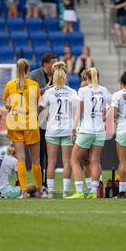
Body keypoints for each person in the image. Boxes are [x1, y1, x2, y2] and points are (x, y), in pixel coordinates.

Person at [3, 59, 44, 198]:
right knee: (35, 160)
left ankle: (24, 192)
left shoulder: (10, 84)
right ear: (28, 69)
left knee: (20, 158)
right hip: (30, 121)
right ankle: (39, 190)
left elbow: (7, 105)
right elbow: (36, 105)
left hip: (15, 122)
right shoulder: (34, 85)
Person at [66, 68, 109, 199]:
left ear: (87, 77)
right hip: (100, 131)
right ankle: (93, 192)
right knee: (95, 161)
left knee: (73, 160)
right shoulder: (104, 90)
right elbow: (106, 112)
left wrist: (73, 129)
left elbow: (79, 113)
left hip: (86, 130)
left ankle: (79, 191)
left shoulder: (83, 91)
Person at [40, 61, 78, 198]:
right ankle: (65, 191)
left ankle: (50, 191)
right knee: (67, 161)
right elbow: (76, 111)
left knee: (51, 162)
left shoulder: (49, 92)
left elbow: (43, 109)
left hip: (52, 129)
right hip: (67, 129)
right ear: (65, 76)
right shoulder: (72, 92)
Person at [30, 53, 58, 188]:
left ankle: (48, 183)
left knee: (50, 154)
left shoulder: (59, 74)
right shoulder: (34, 75)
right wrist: (45, 89)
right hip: (39, 119)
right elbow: (29, 93)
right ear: (46, 64)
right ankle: (40, 183)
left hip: (54, 120)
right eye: (54, 63)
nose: (56, 66)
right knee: (40, 153)